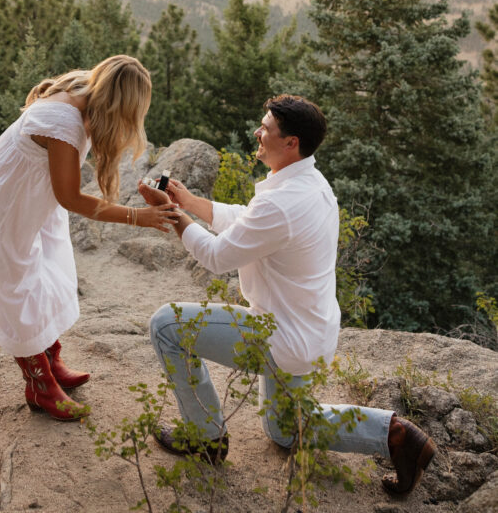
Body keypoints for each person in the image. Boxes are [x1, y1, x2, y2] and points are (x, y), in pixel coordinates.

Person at [139, 94, 436, 495]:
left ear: (291, 142)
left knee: (165, 326)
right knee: (284, 430)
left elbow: (215, 255)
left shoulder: (282, 202)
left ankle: (205, 438)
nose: (258, 132)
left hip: (281, 335)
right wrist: (193, 203)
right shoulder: (311, 184)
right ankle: (396, 435)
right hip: (311, 333)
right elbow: (252, 220)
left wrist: (174, 215)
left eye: (266, 128)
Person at [0, 54, 180, 421]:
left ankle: (50, 358)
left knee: (50, 266)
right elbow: (71, 198)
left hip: (32, 190)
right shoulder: (62, 123)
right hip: (4, 196)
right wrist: (136, 217)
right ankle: (40, 384)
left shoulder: (90, 85)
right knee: (16, 283)